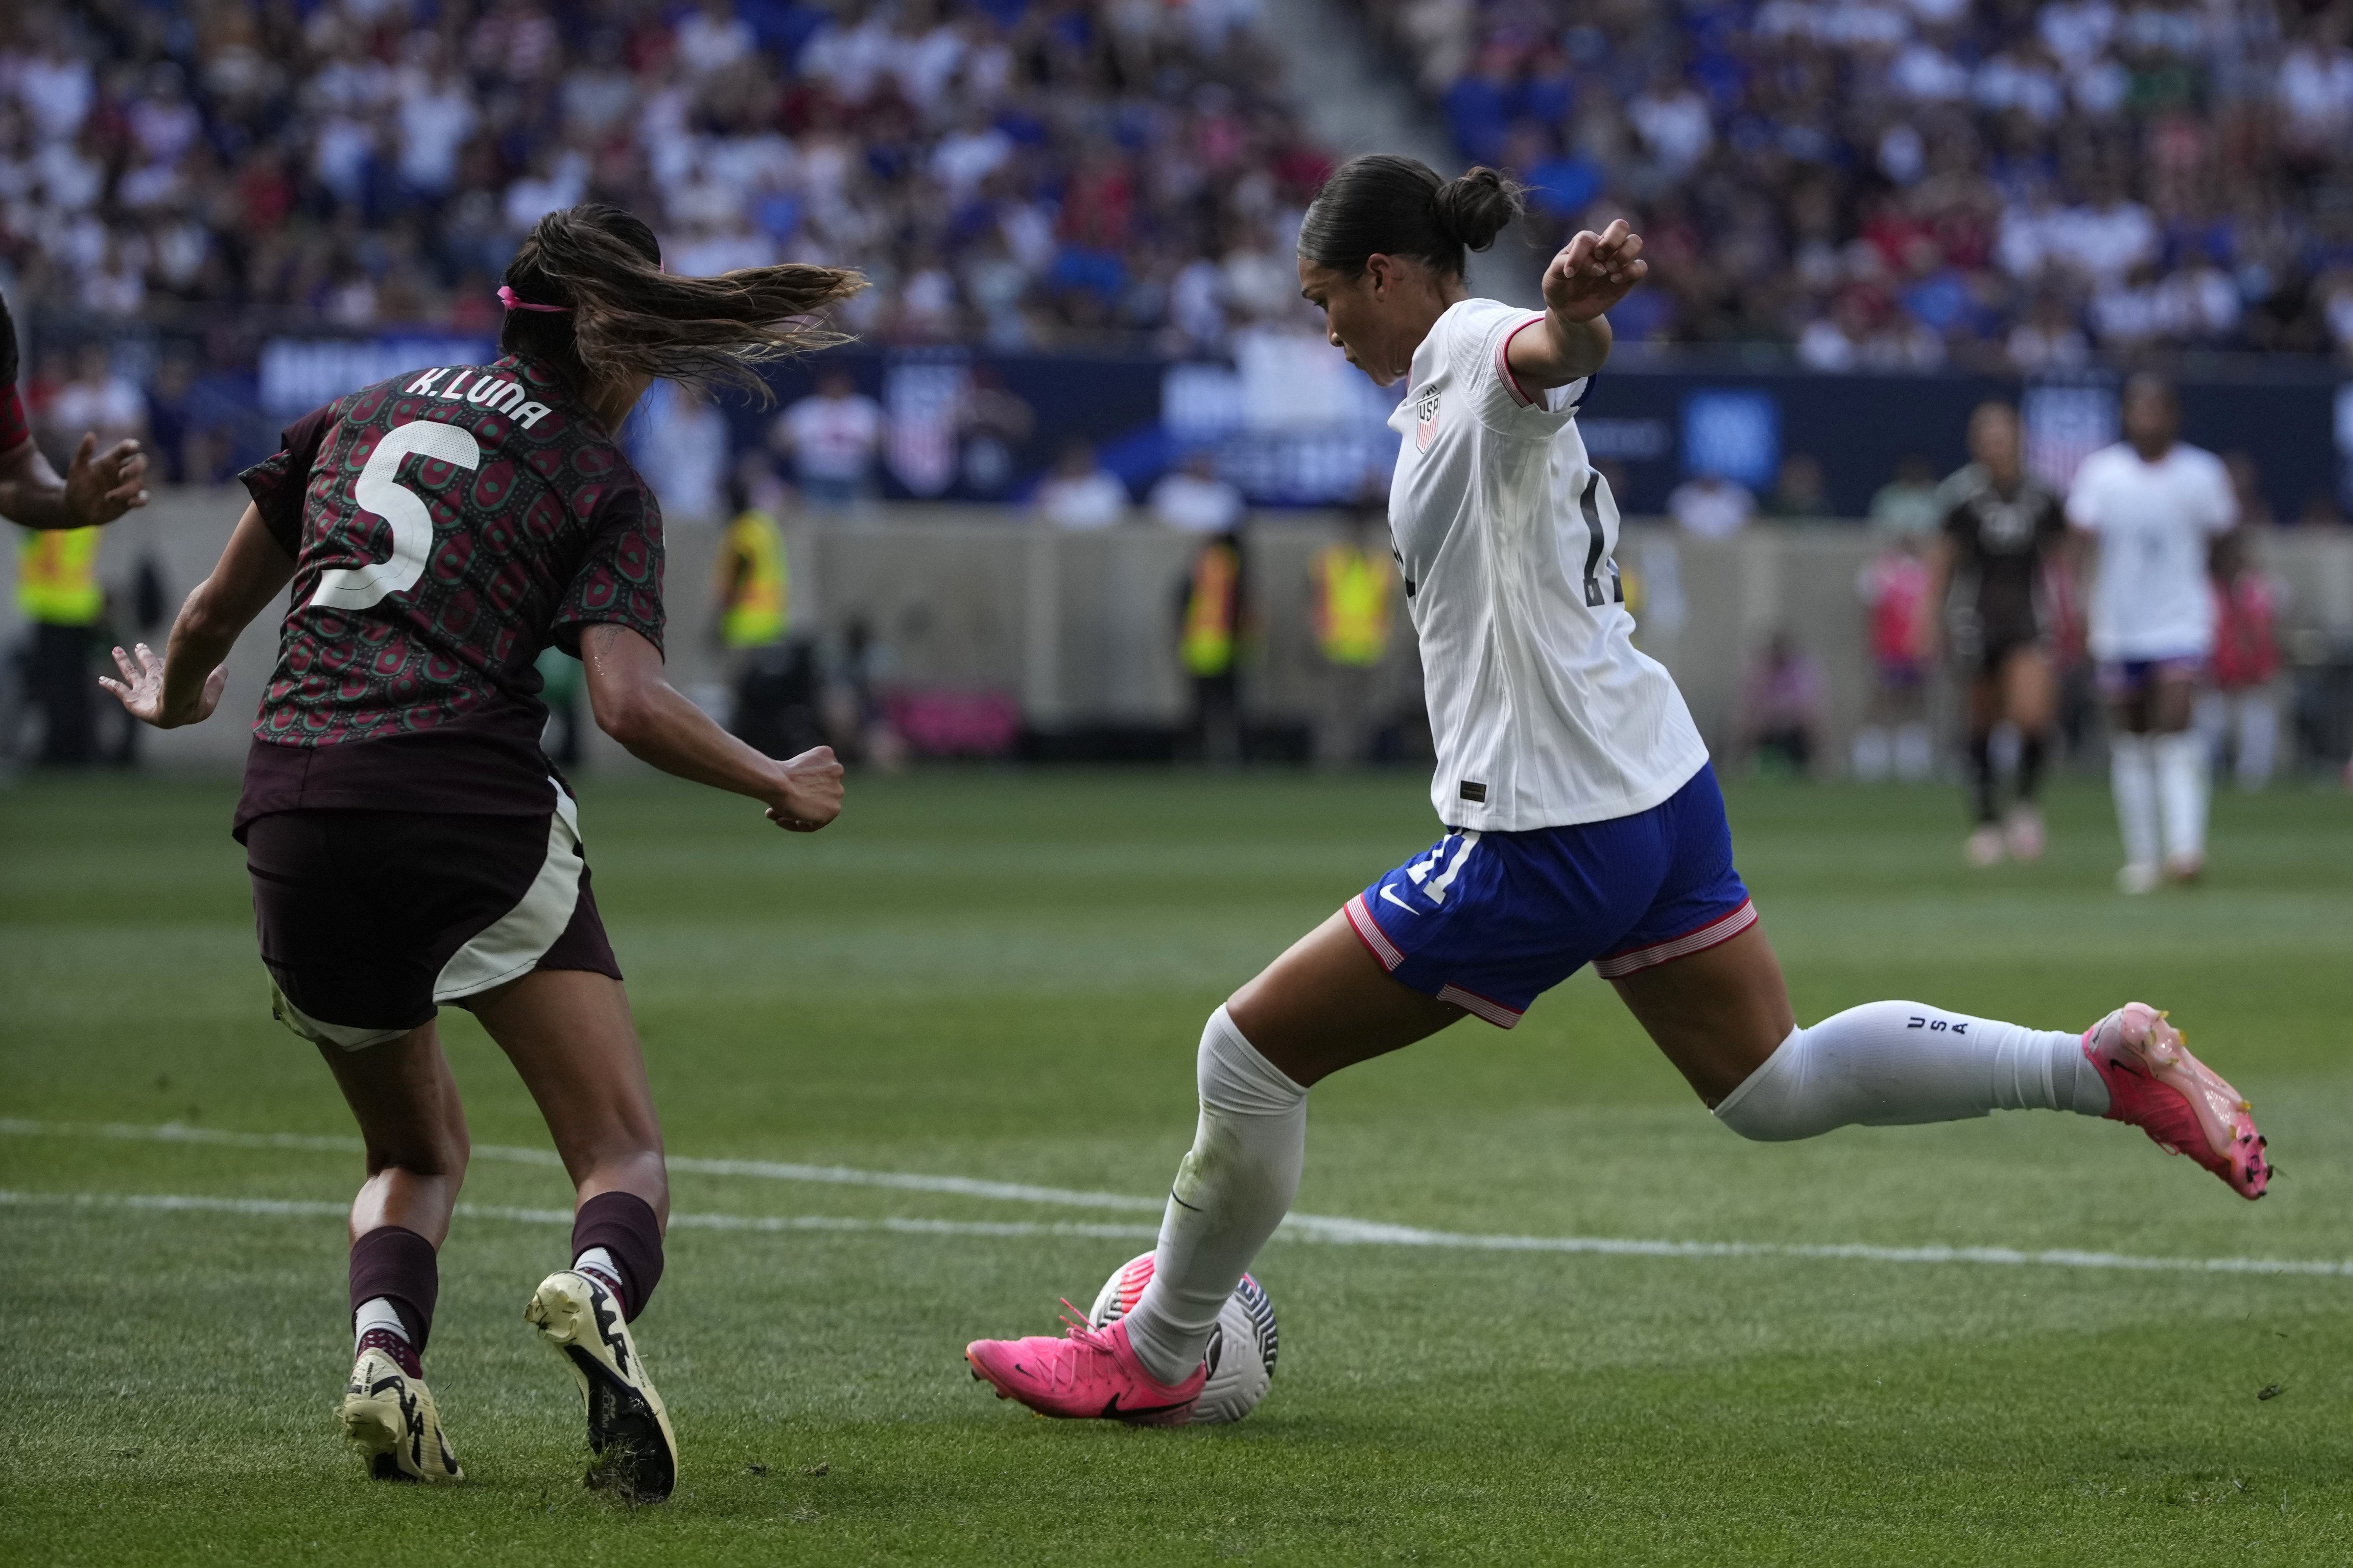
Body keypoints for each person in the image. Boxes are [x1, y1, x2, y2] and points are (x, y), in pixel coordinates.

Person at [962, 157, 2270, 1427]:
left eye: (1325, 298)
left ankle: (1157, 1348)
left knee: (1245, 1056)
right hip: (1652, 782)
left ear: (1380, 272)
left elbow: (1543, 362)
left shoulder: (1474, 345)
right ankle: (2095, 1067)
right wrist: (1563, 323)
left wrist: (1575, 317)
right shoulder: (1430, 383)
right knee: (1774, 1084)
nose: (1324, 325)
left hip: (1546, 823)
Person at [100, 204, 854, 1497]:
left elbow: (214, 617)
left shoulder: (357, 412)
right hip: (464, 804)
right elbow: (623, 703)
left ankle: (385, 1355)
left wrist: (169, 698)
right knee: (621, 1151)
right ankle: (600, 1287)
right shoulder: (598, 480)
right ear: (618, 347)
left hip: (291, 810)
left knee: (411, 1152)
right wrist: (773, 774)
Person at [2066, 376, 2238, 892]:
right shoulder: (2102, 473)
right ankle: (2142, 855)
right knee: (2133, 737)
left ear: (2175, 416)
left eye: (2158, 408)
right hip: (2119, 624)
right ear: (2124, 415)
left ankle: (2185, 848)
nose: (2149, 418)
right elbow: (2079, 544)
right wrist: (2074, 605)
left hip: (2181, 619)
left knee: (2178, 720)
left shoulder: (2202, 473)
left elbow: (2225, 542)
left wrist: (2229, 607)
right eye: (2139, 408)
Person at [1923, 402, 2069, 865]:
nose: (1995, 445)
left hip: (2028, 618)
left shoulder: (2043, 496)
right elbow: (1942, 562)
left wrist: (2073, 611)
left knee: (2030, 715)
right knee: (1982, 721)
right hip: (1976, 617)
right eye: (1986, 437)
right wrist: (1927, 620)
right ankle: (1987, 821)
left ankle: (2024, 805)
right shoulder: (1962, 496)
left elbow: (2062, 561)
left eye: (2002, 436)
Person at [1307, 499, 1398, 766]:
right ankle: (1333, 762)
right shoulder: (1329, 561)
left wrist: (1388, 640)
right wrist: (1316, 636)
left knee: (1368, 711)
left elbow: (1390, 606)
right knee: (1335, 711)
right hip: (1336, 647)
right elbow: (1315, 601)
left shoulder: (1380, 564)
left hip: (1371, 648)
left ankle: (1362, 761)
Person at [2197, 529, 2283, 791]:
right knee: (2207, 724)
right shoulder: (2205, 590)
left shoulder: (2254, 586)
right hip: (2215, 674)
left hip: (2252, 674)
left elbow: (2263, 629)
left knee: (2258, 722)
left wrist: (2258, 669)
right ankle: (2202, 777)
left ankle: (2252, 782)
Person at [1851, 535, 1933, 783]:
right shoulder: (1882, 570)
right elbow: (1869, 607)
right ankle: (1873, 753)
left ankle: (1912, 753)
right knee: (1883, 698)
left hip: (1917, 648)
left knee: (1915, 699)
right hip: (1888, 648)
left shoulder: (1926, 572)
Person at [770, 366, 882, 511]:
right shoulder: (807, 409)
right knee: (814, 523)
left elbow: (882, 443)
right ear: (822, 384)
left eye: (839, 383)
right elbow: (777, 437)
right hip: (814, 478)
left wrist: (874, 446)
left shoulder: (864, 408)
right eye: (831, 383)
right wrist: (789, 444)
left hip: (855, 478)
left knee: (861, 525)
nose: (835, 387)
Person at [1179, 529, 1247, 763]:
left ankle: (1197, 755)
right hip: (1226, 646)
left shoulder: (1198, 569)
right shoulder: (1234, 568)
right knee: (1226, 706)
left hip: (1200, 646)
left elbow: (1181, 607)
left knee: (1201, 707)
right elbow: (1241, 607)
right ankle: (1225, 755)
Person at [1037, 440, 1130, 529]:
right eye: (1072, 459)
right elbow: (1044, 521)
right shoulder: (1051, 488)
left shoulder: (1108, 484)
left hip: (1105, 538)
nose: (1076, 463)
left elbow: (1124, 517)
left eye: (1080, 458)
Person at [1149, 448, 1246, 534]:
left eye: (1206, 464)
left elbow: (1231, 522)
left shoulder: (1227, 494)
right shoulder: (1169, 487)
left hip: (1211, 545)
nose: (1202, 467)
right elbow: (1158, 517)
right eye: (1198, 463)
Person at [1665, 467, 1754, 539]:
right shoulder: (1682, 496)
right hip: (1690, 546)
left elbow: (1751, 521)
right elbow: (1673, 522)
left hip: (1733, 546)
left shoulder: (1738, 495)